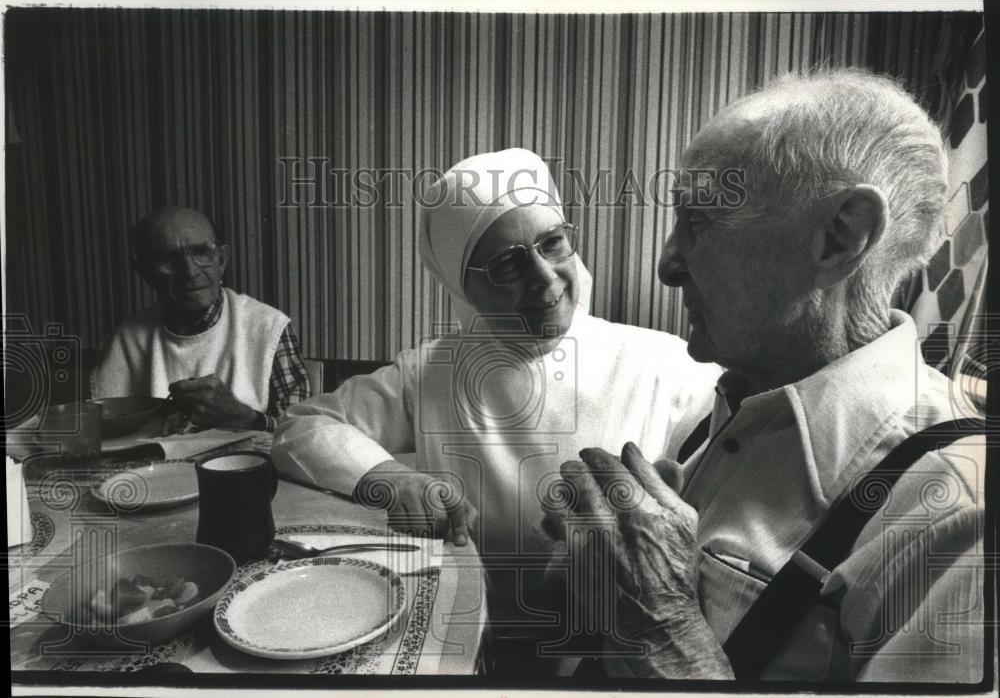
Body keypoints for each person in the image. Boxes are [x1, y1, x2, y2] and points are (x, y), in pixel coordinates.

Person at [548, 69, 986, 682]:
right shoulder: (730, 400)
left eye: (699, 221)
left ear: (839, 238)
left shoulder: (959, 518)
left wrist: (665, 629)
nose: (667, 265)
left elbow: (662, 625)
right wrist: (596, 579)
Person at [271, 148, 721, 665]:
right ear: (463, 288)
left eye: (552, 242)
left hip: (618, 659)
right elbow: (302, 427)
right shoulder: (432, 371)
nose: (545, 276)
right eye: (508, 264)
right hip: (468, 646)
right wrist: (396, 479)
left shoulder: (665, 363)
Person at [91, 206, 309, 432]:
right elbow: (102, 433)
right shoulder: (124, 340)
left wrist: (247, 419)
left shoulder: (268, 328)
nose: (190, 271)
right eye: (169, 258)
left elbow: (303, 432)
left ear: (221, 260)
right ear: (145, 272)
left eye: (201, 252)